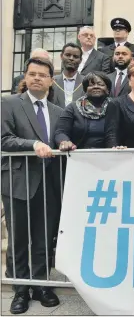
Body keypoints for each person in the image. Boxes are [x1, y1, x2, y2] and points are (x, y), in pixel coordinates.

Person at [1, 57, 63, 314]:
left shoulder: (59, 111)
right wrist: (32, 145)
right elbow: (4, 139)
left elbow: (62, 140)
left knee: (42, 238)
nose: (37, 78)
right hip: (19, 181)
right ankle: (20, 289)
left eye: (42, 75)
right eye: (32, 74)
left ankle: (40, 285)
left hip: (49, 184)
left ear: (51, 80)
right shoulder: (8, 103)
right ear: (25, 77)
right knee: (18, 239)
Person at [54, 71, 112, 150]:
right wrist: (64, 141)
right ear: (85, 90)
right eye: (91, 85)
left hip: (110, 157)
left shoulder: (116, 107)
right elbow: (61, 132)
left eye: (100, 84)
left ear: (108, 89)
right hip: (79, 157)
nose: (96, 87)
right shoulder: (73, 108)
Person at [52, 43, 85, 108]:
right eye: (68, 55)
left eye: (75, 56)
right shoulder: (52, 82)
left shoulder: (86, 82)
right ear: (61, 56)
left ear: (80, 60)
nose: (71, 58)